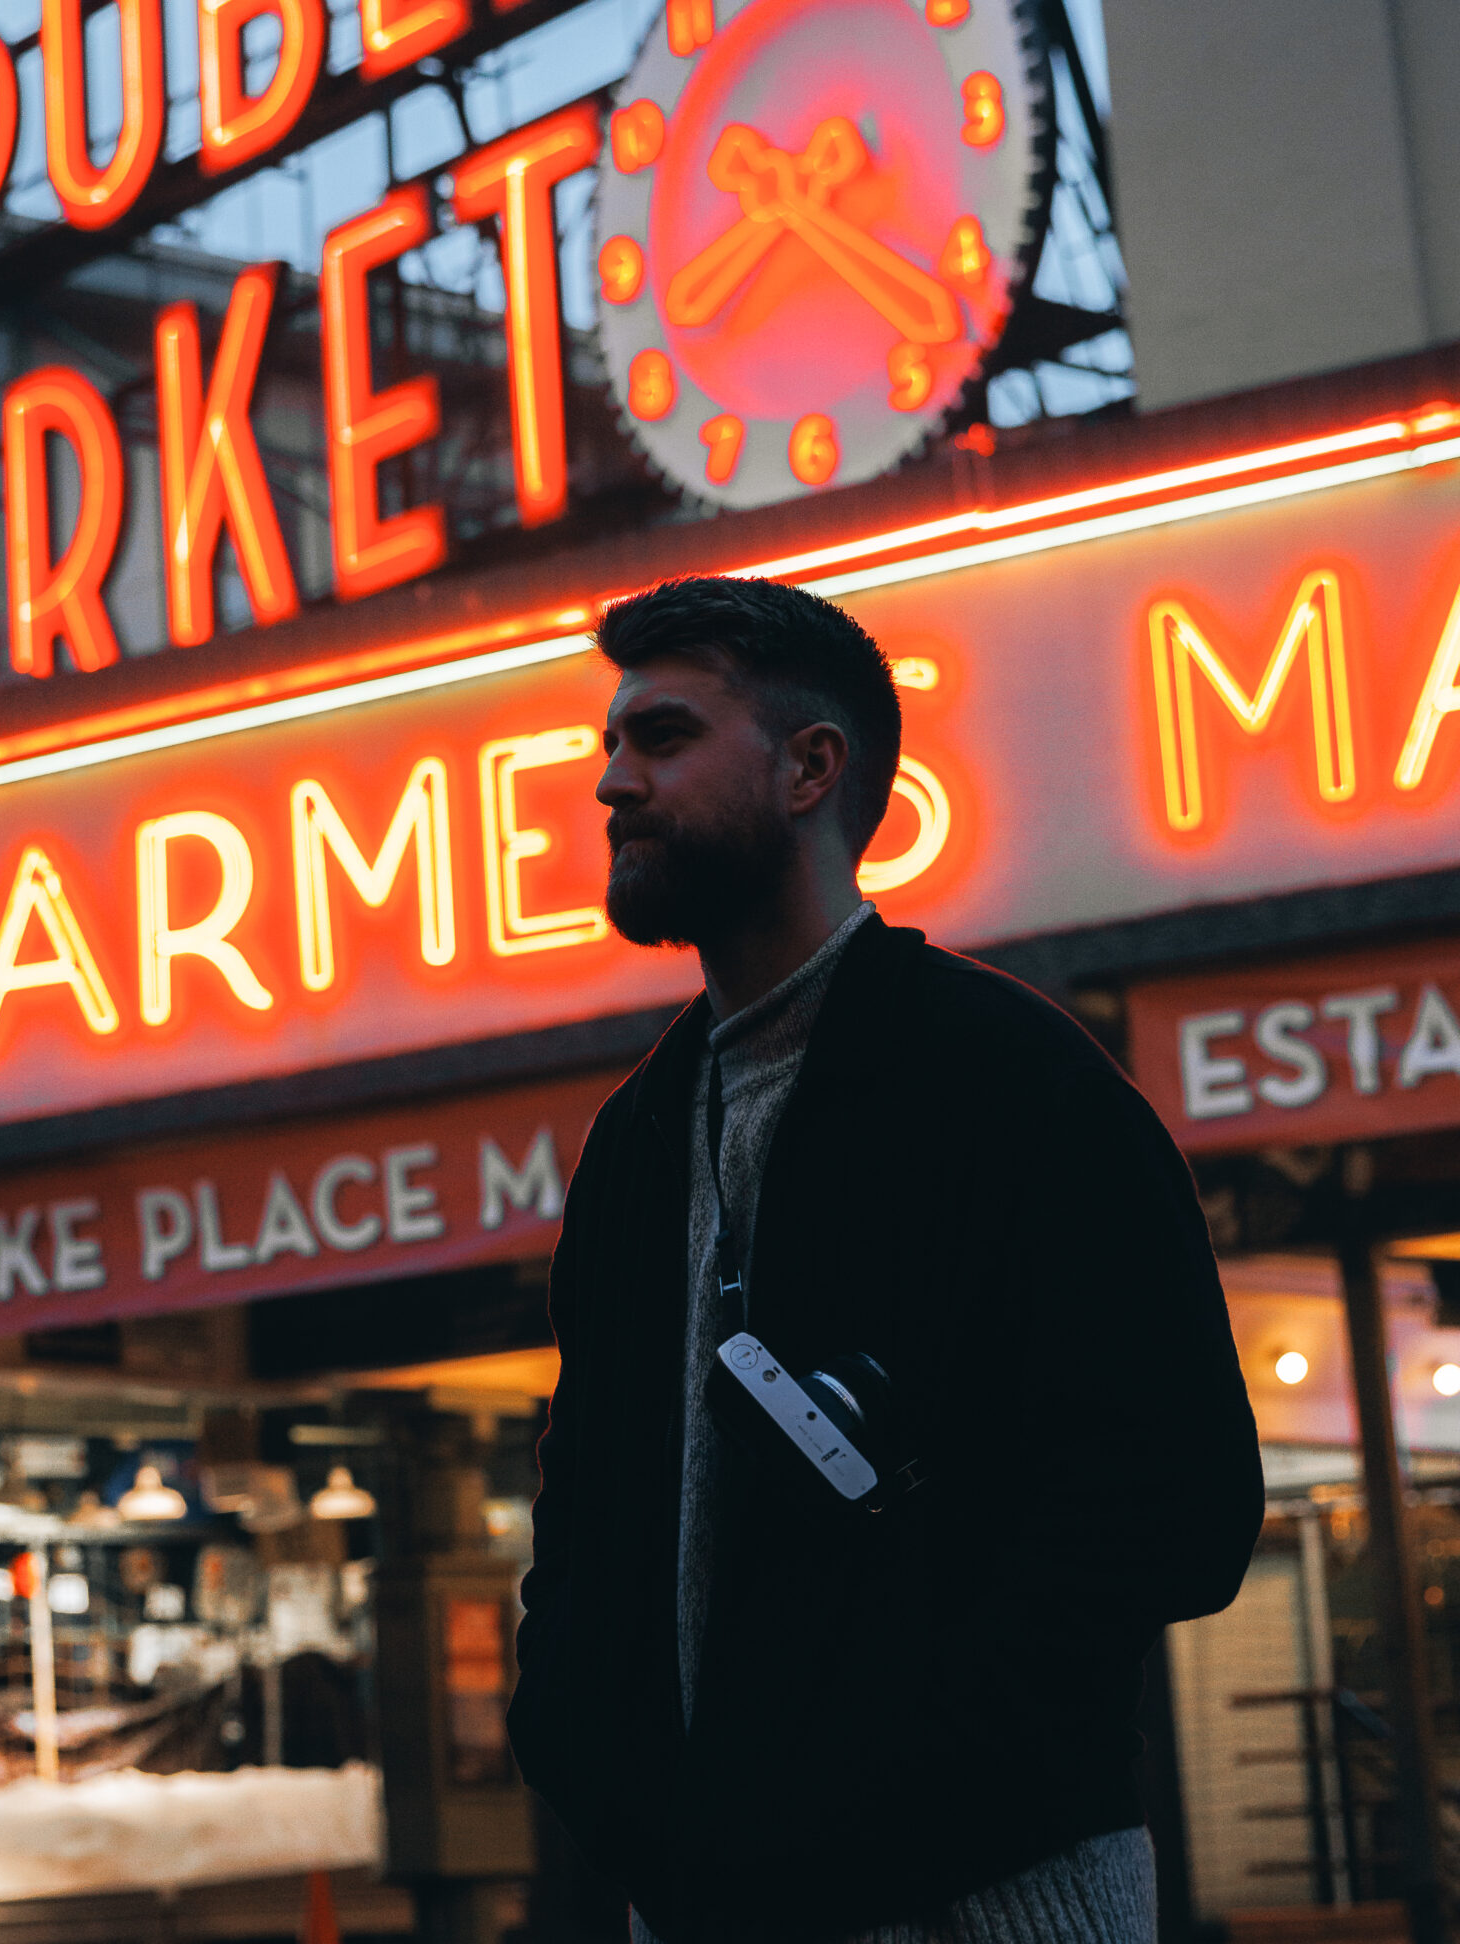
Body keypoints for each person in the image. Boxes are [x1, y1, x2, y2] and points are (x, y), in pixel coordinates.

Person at [508, 575, 1263, 1944]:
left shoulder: (1009, 1079)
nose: (613, 781)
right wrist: (604, 1775)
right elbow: (583, 1523)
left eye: (664, 736)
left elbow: (1176, 1502)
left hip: (993, 1894)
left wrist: (910, 1786)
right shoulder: (635, 1143)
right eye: (610, 744)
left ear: (811, 768)